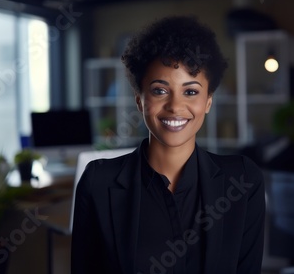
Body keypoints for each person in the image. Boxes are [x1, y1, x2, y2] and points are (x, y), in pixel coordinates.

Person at [71, 16, 265, 274]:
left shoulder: (242, 180)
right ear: (139, 100)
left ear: (208, 101)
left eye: (191, 91)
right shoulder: (98, 183)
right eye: (160, 90)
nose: (175, 106)